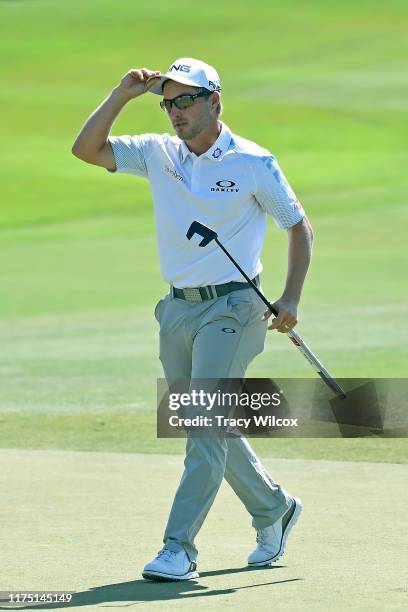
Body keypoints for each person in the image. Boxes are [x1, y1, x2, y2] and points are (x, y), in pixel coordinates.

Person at [72, 57, 313, 582]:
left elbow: (298, 227)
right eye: (169, 101)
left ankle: (178, 548)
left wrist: (290, 298)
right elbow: (86, 150)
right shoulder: (159, 152)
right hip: (178, 309)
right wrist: (121, 94)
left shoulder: (253, 161)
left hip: (235, 306)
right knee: (207, 423)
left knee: (203, 422)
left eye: (186, 99)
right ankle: (275, 508)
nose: (175, 111)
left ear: (214, 101)